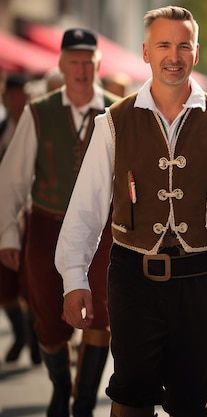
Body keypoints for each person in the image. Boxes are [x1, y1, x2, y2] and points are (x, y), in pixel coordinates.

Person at [54, 6, 207, 417]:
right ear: (145, 52)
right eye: (163, 45)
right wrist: (73, 276)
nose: (173, 55)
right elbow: (86, 207)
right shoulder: (113, 122)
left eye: (183, 45)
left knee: (190, 401)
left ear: (195, 52)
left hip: (203, 276)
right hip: (133, 277)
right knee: (131, 394)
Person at [0, 28, 119, 417]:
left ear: (99, 65)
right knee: (49, 321)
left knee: (101, 313)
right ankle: (61, 389)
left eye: (88, 62)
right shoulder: (40, 111)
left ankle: (83, 404)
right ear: (61, 64)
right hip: (47, 225)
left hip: (104, 231)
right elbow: (13, 179)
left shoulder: (122, 112)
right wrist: (8, 236)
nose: (82, 69)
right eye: (74, 62)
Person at [0, 73, 41, 367]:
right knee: (5, 287)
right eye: (11, 95)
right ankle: (20, 332)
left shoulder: (40, 126)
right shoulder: (1, 130)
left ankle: (36, 339)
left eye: (21, 94)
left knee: (32, 284)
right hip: (4, 216)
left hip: (33, 214)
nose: (17, 100)